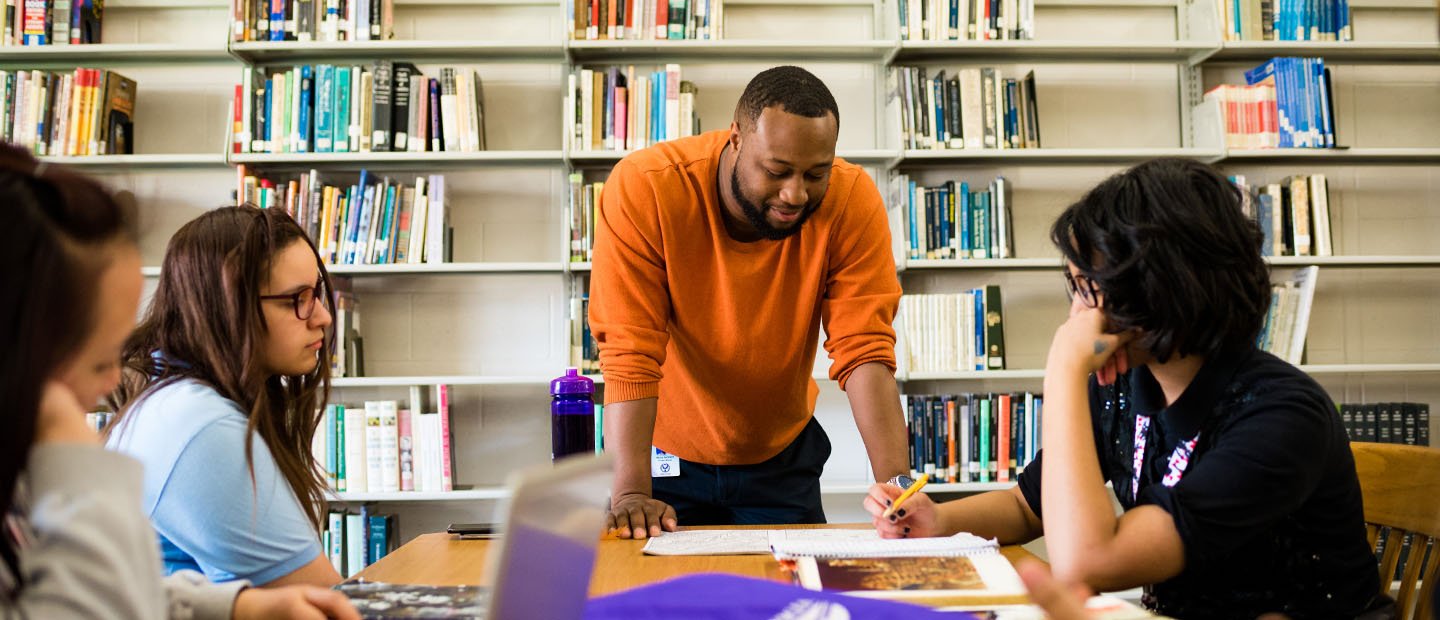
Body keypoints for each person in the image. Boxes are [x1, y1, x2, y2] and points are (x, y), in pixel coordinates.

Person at [865, 158, 1393, 619]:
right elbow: (1030, 507)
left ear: (1166, 286)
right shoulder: (1127, 384)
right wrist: (941, 519)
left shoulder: (1281, 416)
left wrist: (1063, 368)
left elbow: (1087, 561)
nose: (1077, 315)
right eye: (1075, 288)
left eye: (1090, 289)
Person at [0, 145, 357, 618]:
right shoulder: (196, 423)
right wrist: (66, 441)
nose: (114, 378)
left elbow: (125, 592)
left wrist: (240, 608)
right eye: (95, 358)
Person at [591, 65, 910, 538]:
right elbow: (629, 351)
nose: (795, 193)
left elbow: (864, 347)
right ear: (735, 138)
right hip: (663, 457)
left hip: (781, 456)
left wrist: (899, 493)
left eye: (815, 173)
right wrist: (632, 493)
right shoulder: (648, 187)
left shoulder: (850, 199)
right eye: (777, 171)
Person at [107, 205, 345, 587]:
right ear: (229, 305)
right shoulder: (200, 425)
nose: (322, 316)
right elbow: (321, 603)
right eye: (295, 299)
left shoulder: (174, 398)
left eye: (316, 293)